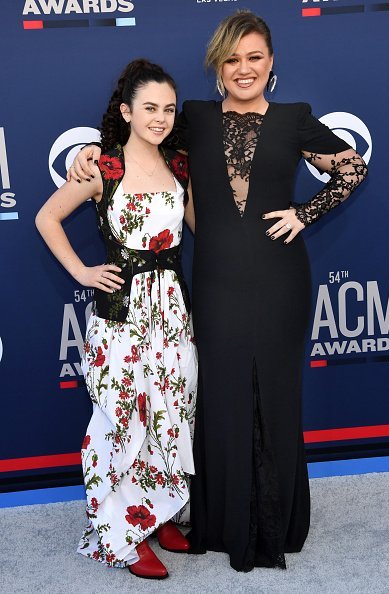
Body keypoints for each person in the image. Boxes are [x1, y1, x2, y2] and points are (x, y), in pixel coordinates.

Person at [69, 11, 368, 573]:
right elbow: (139, 140)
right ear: (217, 66)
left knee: (277, 395)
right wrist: (92, 152)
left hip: (281, 279)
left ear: (271, 61)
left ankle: (277, 520)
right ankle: (214, 519)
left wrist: (305, 212)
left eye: (254, 57)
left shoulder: (295, 119)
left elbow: (352, 168)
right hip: (212, 282)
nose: (244, 68)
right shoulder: (196, 121)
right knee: (216, 397)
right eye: (232, 58)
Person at [36, 59, 197, 580]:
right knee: (123, 416)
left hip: (171, 308)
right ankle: (121, 532)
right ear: (126, 111)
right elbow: (46, 217)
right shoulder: (101, 167)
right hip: (121, 313)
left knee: (170, 409)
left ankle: (157, 512)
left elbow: (202, 226)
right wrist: (82, 271)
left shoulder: (179, 165)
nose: (160, 118)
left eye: (168, 109)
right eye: (149, 108)